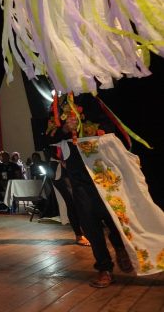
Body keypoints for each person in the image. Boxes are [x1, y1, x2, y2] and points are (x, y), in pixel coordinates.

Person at [47, 93, 136, 288]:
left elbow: (111, 128)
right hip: (78, 175)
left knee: (112, 214)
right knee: (88, 221)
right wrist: (64, 129)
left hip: (102, 169)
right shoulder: (57, 105)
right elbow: (47, 136)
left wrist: (87, 131)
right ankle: (104, 268)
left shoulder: (93, 99)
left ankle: (120, 246)